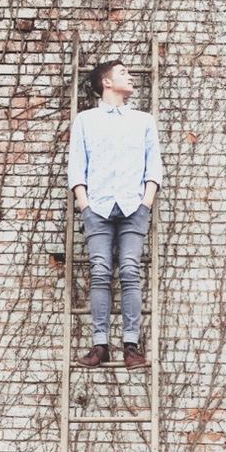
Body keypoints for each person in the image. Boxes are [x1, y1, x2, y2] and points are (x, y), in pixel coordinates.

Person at [67, 58, 163, 367]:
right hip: (98, 207)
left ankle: (131, 345)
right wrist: (85, 203)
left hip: (134, 206)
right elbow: (76, 165)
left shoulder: (143, 121)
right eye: (123, 73)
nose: (131, 77)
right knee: (99, 272)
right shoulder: (86, 120)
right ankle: (100, 345)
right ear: (106, 82)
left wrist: (146, 201)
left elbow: (154, 164)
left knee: (131, 271)